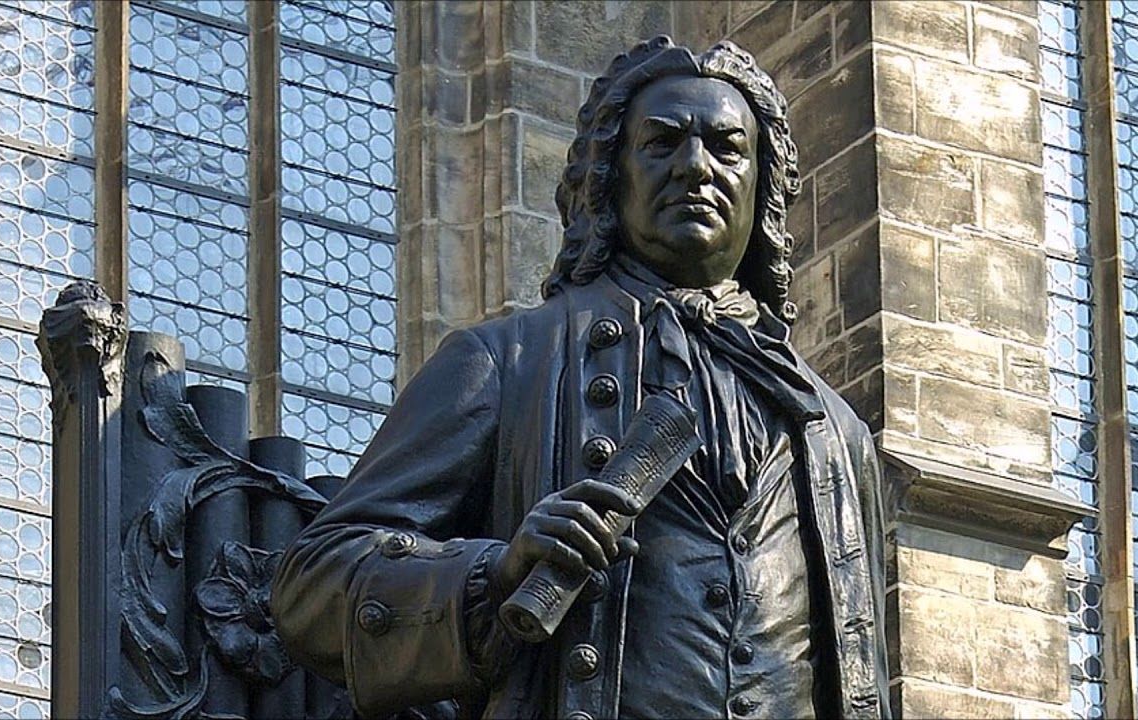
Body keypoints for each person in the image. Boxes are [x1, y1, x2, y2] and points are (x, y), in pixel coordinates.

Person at [272, 36, 888, 720]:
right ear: (609, 178)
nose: (695, 166)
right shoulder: (509, 360)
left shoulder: (834, 429)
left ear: (762, 185)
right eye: (662, 143)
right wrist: (494, 571)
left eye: (726, 147)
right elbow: (312, 584)